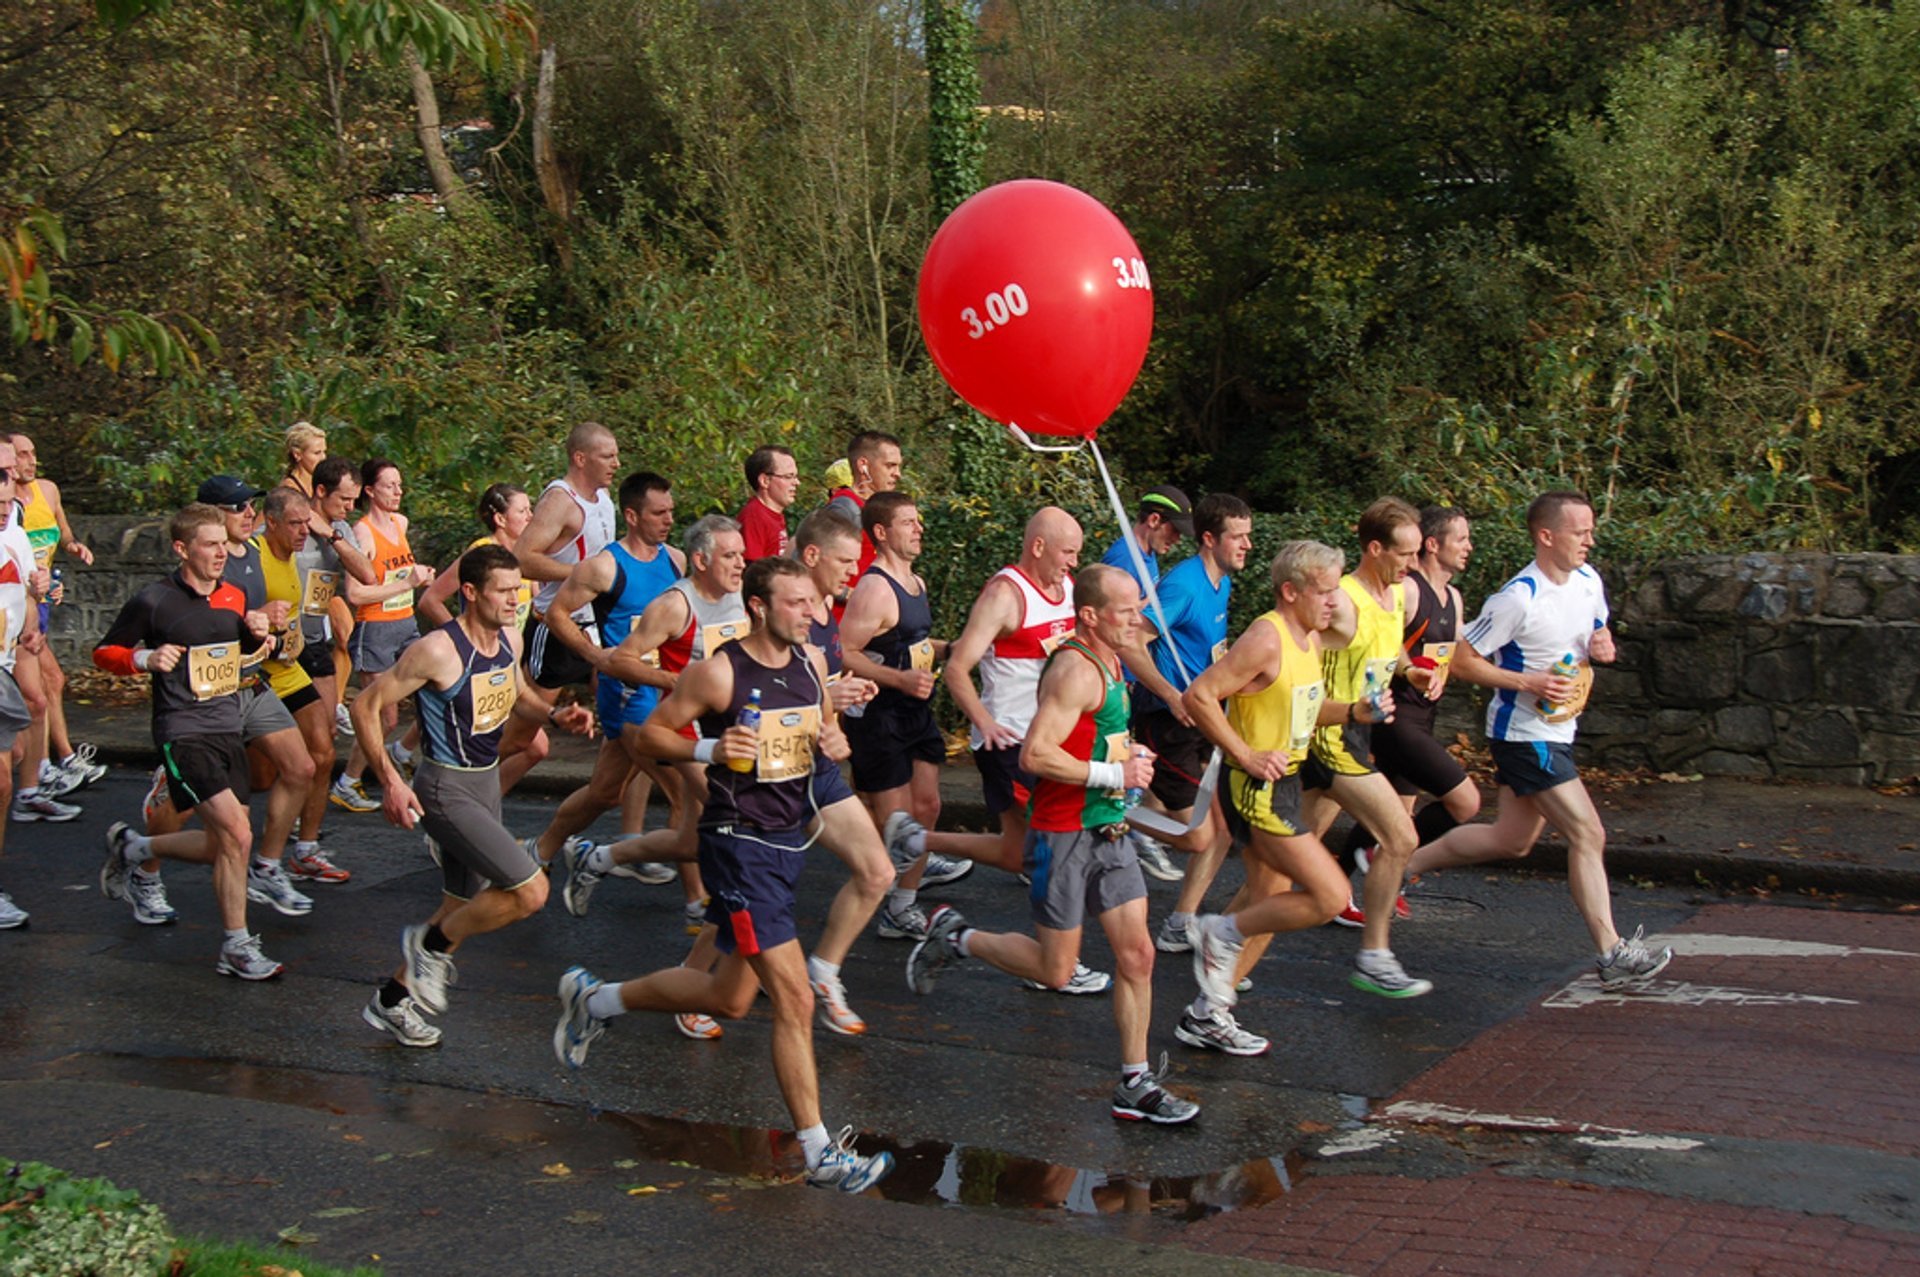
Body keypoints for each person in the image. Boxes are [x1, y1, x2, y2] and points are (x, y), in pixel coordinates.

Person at [552, 556, 896, 1193]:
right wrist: (709, 748)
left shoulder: (809, 665)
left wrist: (832, 742)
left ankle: (595, 1000)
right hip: (738, 847)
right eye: (797, 604)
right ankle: (819, 1151)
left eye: (813, 604)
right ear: (761, 607)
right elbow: (649, 735)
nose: (813, 614)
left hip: (785, 843)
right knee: (793, 998)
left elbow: (817, 732)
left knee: (727, 998)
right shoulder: (718, 673)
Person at [906, 564, 1199, 1126]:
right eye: (1126, 611)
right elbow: (1035, 756)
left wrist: (1129, 756)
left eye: (1139, 607)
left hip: (1109, 832)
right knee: (1056, 971)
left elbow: (1099, 737)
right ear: (1090, 617)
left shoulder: (1113, 659)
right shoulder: (1075, 670)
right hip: (1061, 836)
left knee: (1137, 955)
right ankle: (959, 937)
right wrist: (1115, 776)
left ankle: (1135, 1082)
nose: (1139, 619)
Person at [1402, 491, 1674, 988]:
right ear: (1547, 536)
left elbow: (1596, 629)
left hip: (1559, 731)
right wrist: (1528, 683)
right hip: (1525, 736)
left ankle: (1398, 862)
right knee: (1588, 834)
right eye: (1580, 531)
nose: (1590, 540)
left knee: (1513, 839)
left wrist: (1602, 643)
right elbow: (1462, 660)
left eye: (1591, 530)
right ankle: (1612, 952)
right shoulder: (1517, 597)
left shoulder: (1589, 580)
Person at [353, 544, 593, 1045]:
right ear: (469, 592)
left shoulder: (509, 637)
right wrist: (391, 780)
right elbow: (366, 705)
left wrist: (553, 715)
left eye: (518, 590)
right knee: (529, 891)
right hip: (444, 787)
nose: (515, 600)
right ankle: (428, 947)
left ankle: (392, 1002)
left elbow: (516, 692)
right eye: (504, 591)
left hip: (485, 781)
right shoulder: (437, 650)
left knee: (458, 905)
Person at [1177, 541, 1392, 1045]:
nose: (1334, 601)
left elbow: (1306, 708)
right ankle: (1215, 932)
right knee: (1329, 895)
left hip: (1287, 781)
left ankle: (1208, 1013)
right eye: (1324, 591)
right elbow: (1200, 696)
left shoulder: (1309, 638)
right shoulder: (1265, 637)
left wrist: (1356, 712)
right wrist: (1245, 754)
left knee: (1269, 899)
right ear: (1291, 591)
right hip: (1256, 787)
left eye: (1337, 589)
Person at [910, 506, 1112, 995]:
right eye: (1068, 551)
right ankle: (1055, 960)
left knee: (1022, 852)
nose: (1073, 561)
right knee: (1055, 852)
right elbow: (958, 667)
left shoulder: (1067, 590)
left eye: (1079, 552)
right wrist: (985, 723)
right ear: (1038, 546)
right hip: (1014, 746)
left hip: (1052, 742)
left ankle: (916, 845)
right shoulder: (1006, 594)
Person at [94, 504, 282, 978]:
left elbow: (236, 651)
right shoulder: (155, 601)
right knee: (239, 836)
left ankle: (136, 849)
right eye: (211, 544)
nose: (222, 553)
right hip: (183, 733)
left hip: (226, 727)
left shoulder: (233, 596)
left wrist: (261, 635)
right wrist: (144, 659)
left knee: (226, 846)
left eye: (225, 544)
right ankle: (237, 947)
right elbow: (105, 652)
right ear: (182, 549)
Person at [1115, 496, 1261, 1041]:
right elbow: (1131, 641)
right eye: (1237, 536)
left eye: (1247, 535)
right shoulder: (1181, 584)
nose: (1246, 544)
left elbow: (1208, 648)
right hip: (1169, 719)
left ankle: (1181, 923)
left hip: (1202, 716)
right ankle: (1114, 814)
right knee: (1199, 836)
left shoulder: (1221, 581)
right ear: (1209, 539)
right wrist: (1171, 692)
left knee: (1221, 829)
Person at [1292, 497, 1434, 997]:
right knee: (1400, 838)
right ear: (1375, 548)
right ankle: (1375, 956)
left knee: (1286, 857)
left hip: (1355, 731)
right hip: (1325, 736)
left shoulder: (1395, 593)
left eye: (1417, 553)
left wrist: (1408, 668)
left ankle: (1217, 935)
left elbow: (1388, 644)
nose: (1413, 564)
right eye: (1405, 554)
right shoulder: (1343, 598)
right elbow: (1293, 642)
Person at [531, 472, 690, 889]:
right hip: (628, 695)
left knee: (604, 791)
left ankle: (540, 852)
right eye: (658, 513)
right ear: (632, 515)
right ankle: (702, 902)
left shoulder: (675, 559)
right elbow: (556, 613)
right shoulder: (603, 566)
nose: (668, 519)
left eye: (671, 511)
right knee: (686, 793)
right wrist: (591, 654)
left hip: (664, 691)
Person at [1338, 506, 1481, 921]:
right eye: (1462, 539)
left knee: (1397, 814)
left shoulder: (1452, 598)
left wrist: (1431, 674)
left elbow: (1456, 655)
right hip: (1393, 716)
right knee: (1464, 803)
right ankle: (1379, 862)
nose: (1469, 547)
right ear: (1433, 546)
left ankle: (1337, 891)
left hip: (1423, 716)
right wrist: (1406, 669)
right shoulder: (1409, 590)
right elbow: (1384, 642)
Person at [838, 492, 951, 941]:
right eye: (908, 522)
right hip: (879, 714)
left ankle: (902, 906)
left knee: (928, 807)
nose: (919, 528)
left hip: (914, 712)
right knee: (896, 821)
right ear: (881, 533)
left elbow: (912, 641)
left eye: (918, 520)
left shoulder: (915, 582)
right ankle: (876, 896)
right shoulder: (874, 588)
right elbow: (843, 650)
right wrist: (898, 679)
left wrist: (955, 650)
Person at [410, 483, 544, 790]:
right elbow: (430, 600)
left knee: (534, 748)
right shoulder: (482, 555)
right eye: (523, 511)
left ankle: (472, 808)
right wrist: (463, 645)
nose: (531, 517)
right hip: (474, 670)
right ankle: (462, 807)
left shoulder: (523, 557)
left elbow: (537, 607)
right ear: (500, 519)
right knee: (528, 746)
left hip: (503, 668)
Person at [284, 457, 378, 877]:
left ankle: (304, 843)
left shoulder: (337, 530)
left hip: (315, 643)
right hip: (277, 645)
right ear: (319, 492)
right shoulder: (290, 523)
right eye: (343, 499)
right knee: (260, 750)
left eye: (354, 500)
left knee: (321, 750)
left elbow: (367, 574)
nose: (349, 508)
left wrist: (333, 537)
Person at [329, 459, 435, 811]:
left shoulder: (399, 523)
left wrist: (420, 578)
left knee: (436, 693)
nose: (398, 492)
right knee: (383, 716)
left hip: (406, 625)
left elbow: (404, 576)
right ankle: (349, 781)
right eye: (390, 485)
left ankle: (401, 756)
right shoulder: (361, 533)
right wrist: (407, 582)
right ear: (370, 491)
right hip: (375, 630)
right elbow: (356, 594)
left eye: (400, 485)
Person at [8, 431, 104, 811]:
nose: (31, 461)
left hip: (37, 602)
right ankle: (50, 764)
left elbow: (59, 535)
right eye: (22, 455)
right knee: (42, 690)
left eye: (33, 453)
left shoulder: (47, 491)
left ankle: (45, 772)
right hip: (18, 606)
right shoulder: (8, 506)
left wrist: (70, 550)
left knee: (42, 691)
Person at [514, 422, 620, 710]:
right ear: (580, 459)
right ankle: (480, 755)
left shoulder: (605, 498)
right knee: (525, 737)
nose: (616, 464)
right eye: (607, 457)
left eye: (616, 456)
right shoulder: (560, 500)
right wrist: (582, 575)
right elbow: (522, 558)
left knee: (615, 709)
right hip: (558, 624)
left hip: (597, 620)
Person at [0, 439, 49, 927]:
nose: (5, 505)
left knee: (4, 775)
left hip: (2, 666)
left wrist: (33, 614)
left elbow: (29, 589)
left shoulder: (13, 534)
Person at [825, 430, 902, 581]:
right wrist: (852, 595)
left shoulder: (875, 507)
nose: (897, 473)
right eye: (890, 466)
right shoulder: (844, 507)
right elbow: (821, 568)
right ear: (863, 466)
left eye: (898, 466)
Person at [1100, 485, 1192, 592]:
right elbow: (1108, 607)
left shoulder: (1147, 552)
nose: (1177, 540)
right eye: (1175, 530)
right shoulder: (1124, 560)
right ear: (1154, 520)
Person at [737, 445, 799, 560]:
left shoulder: (773, 514)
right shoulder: (754, 517)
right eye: (789, 476)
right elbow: (752, 570)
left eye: (795, 476)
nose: (797, 482)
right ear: (765, 481)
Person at [279, 421, 328, 498]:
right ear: (297, 454)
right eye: (317, 453)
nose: (323, 457)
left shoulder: (322, 482)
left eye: (324, 452)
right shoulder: (289, 491)